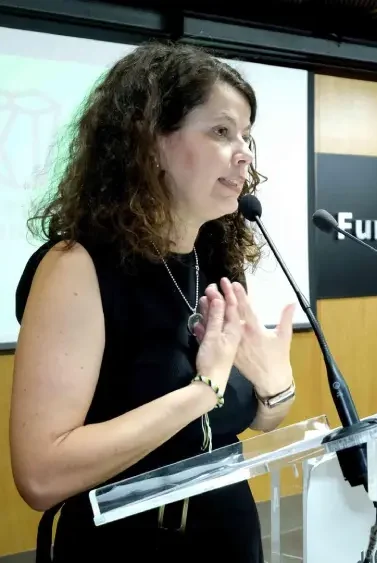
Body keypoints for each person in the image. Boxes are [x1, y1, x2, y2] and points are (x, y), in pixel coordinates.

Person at [10, 42, 297, 563]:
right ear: (151, 143)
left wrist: (276, 389)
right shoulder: (76, 267)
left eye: (246, 136)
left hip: (231, 540)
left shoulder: (217, 264)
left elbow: (257, 420)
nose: (245, 154)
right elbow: (40, 475)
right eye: (221, 131)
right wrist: (202, 390)